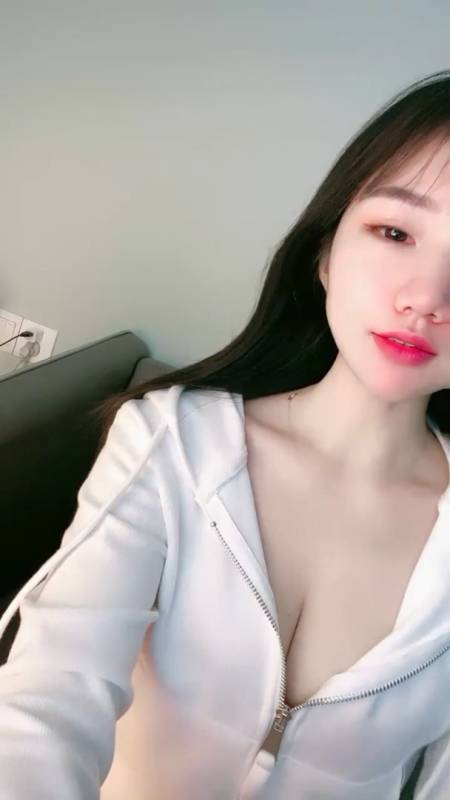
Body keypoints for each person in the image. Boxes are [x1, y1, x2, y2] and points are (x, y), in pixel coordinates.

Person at [1, 70, 450, 800]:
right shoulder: (169, 441)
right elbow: (49, 700)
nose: (427, 297)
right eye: (395, 232)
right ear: (325, 252)